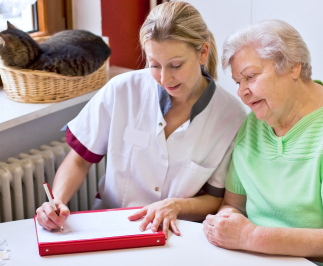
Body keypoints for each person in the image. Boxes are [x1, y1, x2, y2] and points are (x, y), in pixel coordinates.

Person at [36, 1, 246, 238]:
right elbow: (78, 161)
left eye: (176, 65)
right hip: (112, 221)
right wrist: (56, 202)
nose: (165, 78)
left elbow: (215, 198)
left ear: (203, 53)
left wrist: (175, 205)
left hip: (178, 232)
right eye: (154, 65)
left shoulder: (232, 117)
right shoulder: (121, 90)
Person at [202, 20, 323, 265]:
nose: (242, 91)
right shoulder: (253, 124)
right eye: (238, 82)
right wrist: (227, 221)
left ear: (294, 66)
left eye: (250, 76)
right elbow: (233, 205)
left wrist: (250, 236)